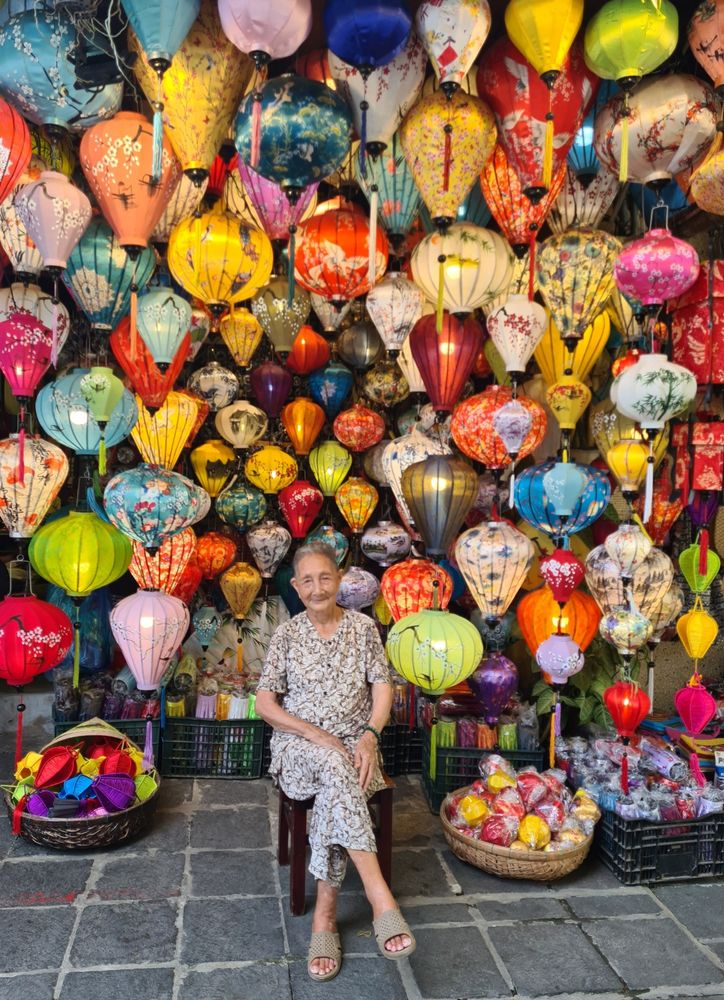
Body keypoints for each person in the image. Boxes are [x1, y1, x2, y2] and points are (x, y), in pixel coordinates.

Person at [256, 541, 416, 982]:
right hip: (299, 745)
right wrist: (313, 733)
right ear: (295, 586)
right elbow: (265, 703)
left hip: (355, 745)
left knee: (337, 771)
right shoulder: (287, 634)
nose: (317, 587)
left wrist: (369, 734)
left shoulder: (364, 629)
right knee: (331, 762)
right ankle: (379, 895)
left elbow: (382, 689)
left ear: (340, 578)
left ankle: (325, 914)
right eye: (307, 580)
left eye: (325, 577)